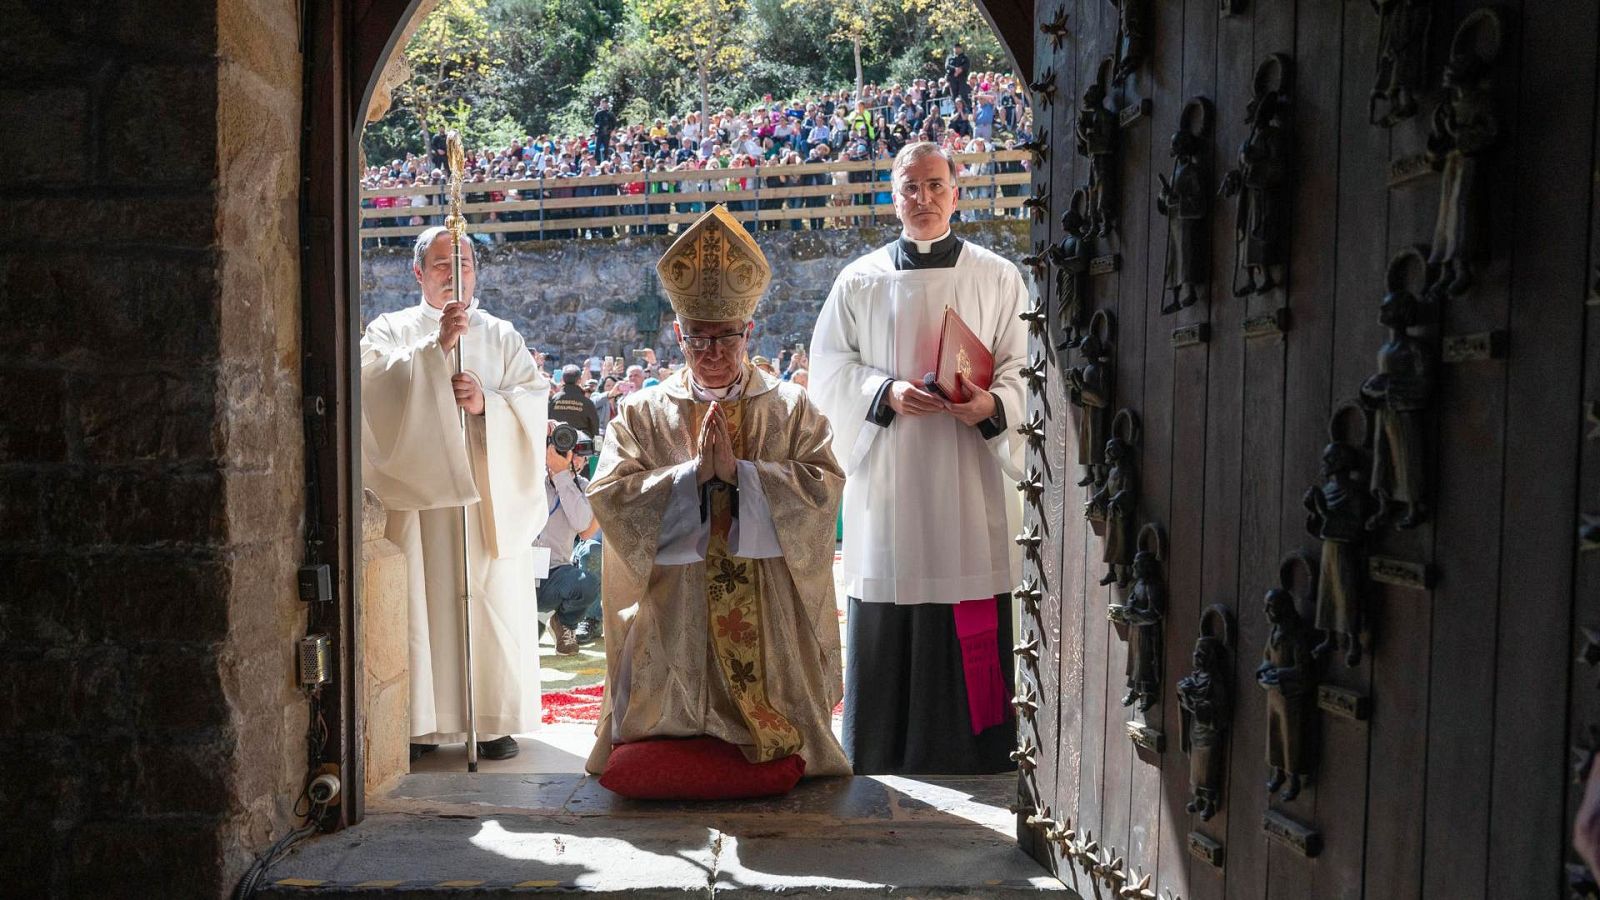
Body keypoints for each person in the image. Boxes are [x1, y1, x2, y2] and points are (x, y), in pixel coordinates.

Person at [583, 204, 851, 779]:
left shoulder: (789, 407)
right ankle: (676, 727)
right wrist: (691, 480)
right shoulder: (643, 410)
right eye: (696, 340)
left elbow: (825, 488)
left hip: (767, 594)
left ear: (748, 331)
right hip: (675, 596)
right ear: (678, 334)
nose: (710, 353)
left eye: (724, 338)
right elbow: (609, 494)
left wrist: (743, 478)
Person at [809, 141, 1028, 775]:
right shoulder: (860, 279)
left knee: (972, 590)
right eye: (911, 187)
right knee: (890, 595)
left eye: (935, 186)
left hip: (971, 473)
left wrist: (992, 404)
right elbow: (828, 371)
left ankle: (979, 750)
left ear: (956, 192)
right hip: (891, 475)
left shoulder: (996, 275)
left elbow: (1027, 364)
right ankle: (882, 749)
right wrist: (883, 392)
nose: (923, 199)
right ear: (893, 194)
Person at [361, 225, 550, 763]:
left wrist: (487, 403)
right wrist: (433, 351)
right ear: (418, 272)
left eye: (464, 262)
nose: (455, 273)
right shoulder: (390, 329)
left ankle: (488, 720)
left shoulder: (500, 335)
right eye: (442, 263)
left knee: (486, 599)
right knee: (420, 602)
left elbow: (533, 398)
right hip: (421, 503)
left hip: (485, 499)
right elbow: (370, 390)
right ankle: (418, 723)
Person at [535, 428, 601, 655]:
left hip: (555, 575)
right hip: (518, 574)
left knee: (586, 583)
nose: (573, 458)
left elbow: (583, 525)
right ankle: (537, 620)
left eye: (578, 454)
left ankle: (565, 623)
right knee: (525, 644)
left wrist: (562, 476)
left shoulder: (584, 488)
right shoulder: (532, 480)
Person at [550, 363, 600, 437]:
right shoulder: (587, 402)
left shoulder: (553, 400)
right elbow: (595, 428)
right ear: (579, 380)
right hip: (581, 444)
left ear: (563, 379)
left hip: (557, 442)